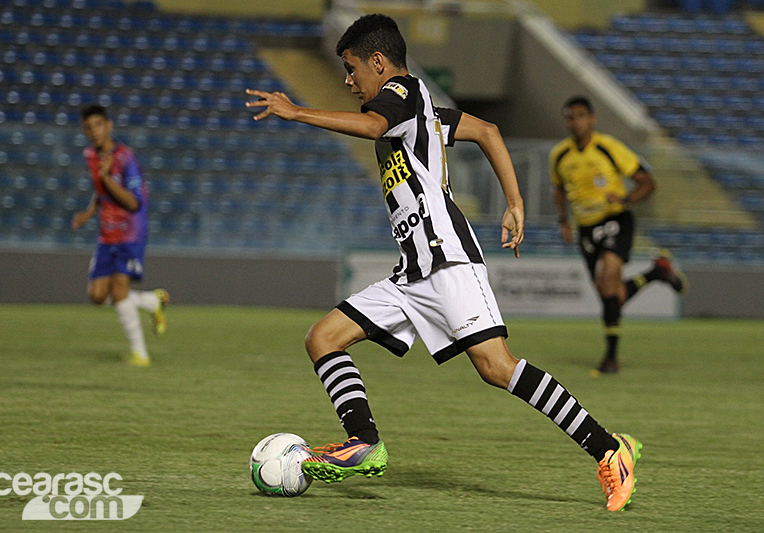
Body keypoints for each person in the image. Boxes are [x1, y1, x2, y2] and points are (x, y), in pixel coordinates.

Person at [247, 14, 640, 512]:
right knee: (322, 338)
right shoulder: (423, 109)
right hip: (413, 269)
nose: (348, 80)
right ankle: (363, 442)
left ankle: (609, 450)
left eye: (351, 68)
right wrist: (514, 202)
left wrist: (296, 112)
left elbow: (373, 126)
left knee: (497, 367)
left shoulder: (402, 93)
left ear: (378, 62)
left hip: (448, 259)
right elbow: (488, 131)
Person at [550, 96, 686, 375]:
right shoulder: (560, 155)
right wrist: (563, 221)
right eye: (570, 117)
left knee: (608, 275)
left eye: (581, 116)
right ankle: (656, 272)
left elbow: (647, 182)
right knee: (612, 295)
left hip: (615, 220)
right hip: (586, 229)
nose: (575, 122)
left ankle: (611, 359)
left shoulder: (608, 147)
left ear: (592, 119)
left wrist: (626, 199)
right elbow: (558, 189)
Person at [72, 104, 169, 368]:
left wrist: (107, 178)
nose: (94, 131)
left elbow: (134, 203)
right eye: (89, 127)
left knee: (119, 290)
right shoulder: (90, 155)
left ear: (109, 125)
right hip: (107, 233)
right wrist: (89, 211)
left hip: (130, 231)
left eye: (98, 125)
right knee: (97, 296)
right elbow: (100, 191)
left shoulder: (126, 158)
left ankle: (140, 355)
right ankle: (152, 301)